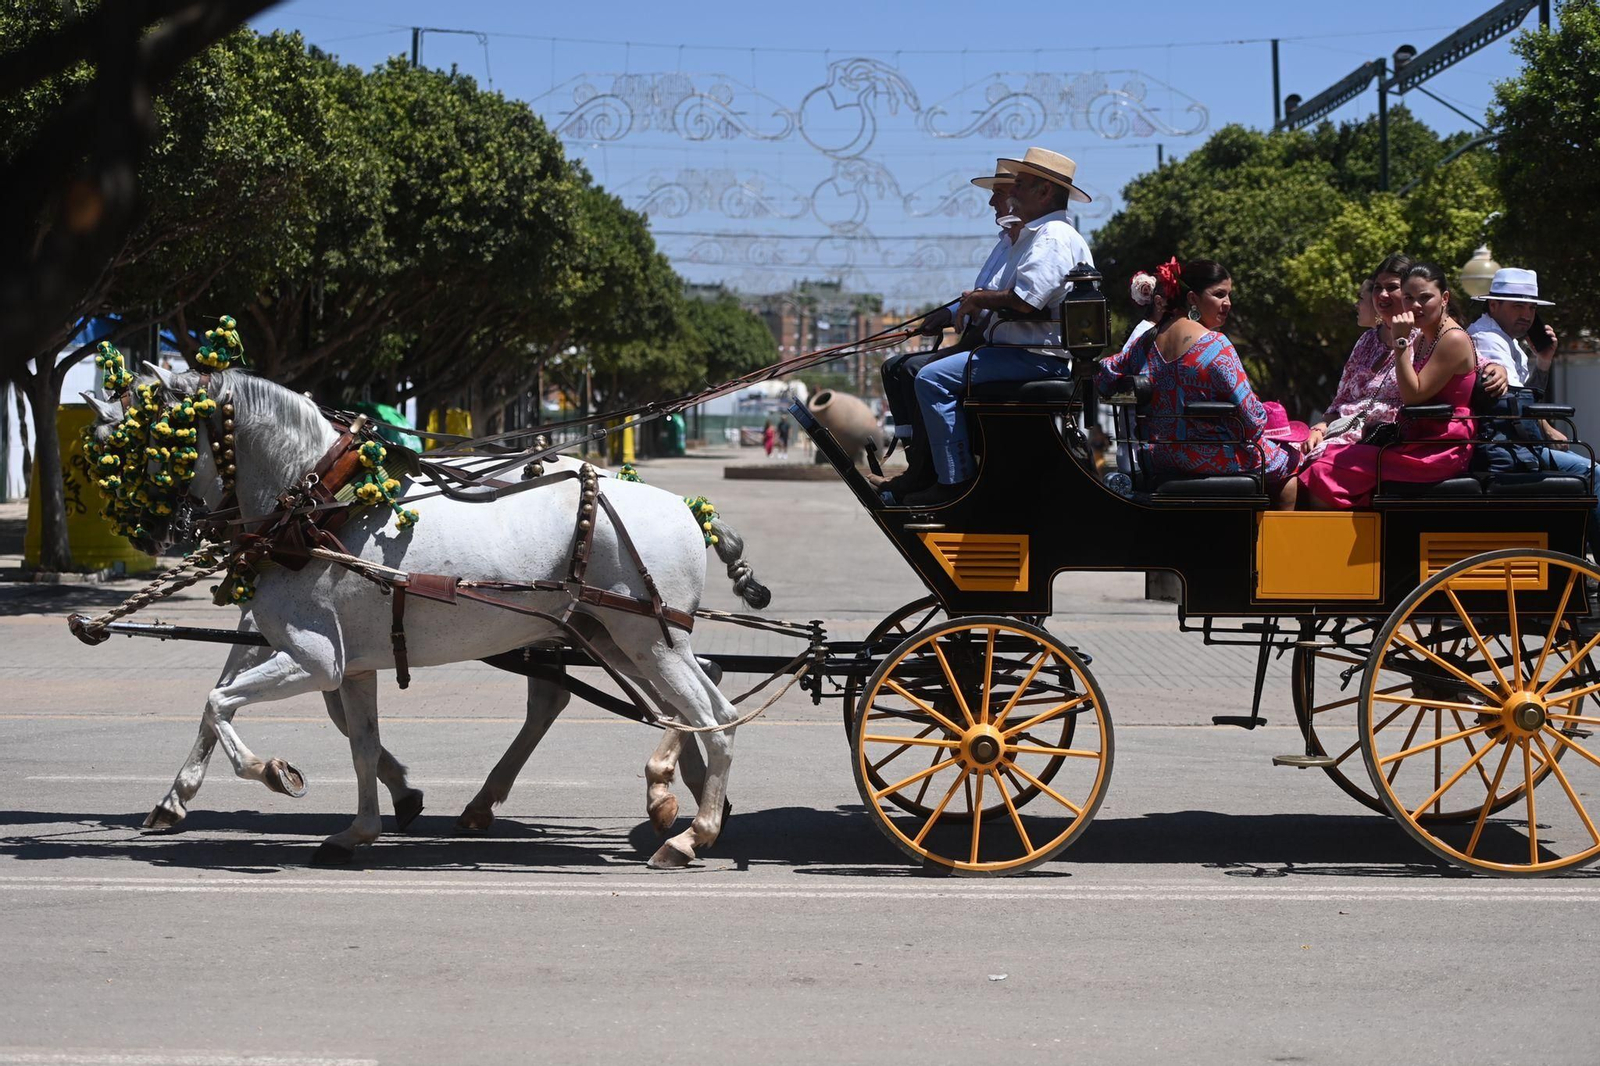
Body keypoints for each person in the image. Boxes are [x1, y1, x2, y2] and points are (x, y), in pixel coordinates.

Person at [902, 147, 1095, 506]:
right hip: (1014, 351)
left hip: (1034, 357)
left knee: (931, 378)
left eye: (1020, 184)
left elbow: (1024, 301)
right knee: (921, 372)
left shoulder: (1052, 236)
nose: (1011, 192)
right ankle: (931, 470)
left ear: (1044, 192)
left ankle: (954, 481)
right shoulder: (1036, 235)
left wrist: (977, 300)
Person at [870, 162, 1020, 499]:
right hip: (981, 339)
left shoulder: (1026, 244)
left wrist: (969, 307)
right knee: (894, 367)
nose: (991, 202)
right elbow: (981, 295)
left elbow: (1004, 299)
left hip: (994, 344)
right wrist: (946, 313)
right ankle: (916, 460)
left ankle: (932, 474)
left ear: (1017, 195)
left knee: (915, 370)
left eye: (997, 193)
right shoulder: (1005, 244)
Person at [1095, 257, 1297, 509]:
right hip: (1210, 457)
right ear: (1192, 298)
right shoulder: (1215, 345)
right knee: (1293, 464)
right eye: (1219, 295)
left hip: (1158, 457)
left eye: (1229, 295)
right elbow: (1254, 421)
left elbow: (1104, 374)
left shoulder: (1146, 341)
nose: (1228, 304)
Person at [1299, 259, 1477, 508]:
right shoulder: (1425, 335)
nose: (1415, 306)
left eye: (1424, 298)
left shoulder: (1451, 337)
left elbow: (1413, 396)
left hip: (1439, 447)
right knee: (1318, 459)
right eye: (1408, 297)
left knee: (1325, 469)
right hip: (1415, 439)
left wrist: (1401, 342)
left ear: (1445, 298)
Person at [1468, 267, 1598, 553]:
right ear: (1493, 304)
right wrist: (1549, 430)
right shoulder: (1488, 338)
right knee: (1593, 474)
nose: (1526, 314)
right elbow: (1516, 406)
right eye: (1517, 306)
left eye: (1530, 307)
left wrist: (1543, 361)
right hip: (1507, 448)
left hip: (1518, 446)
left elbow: (1527, 396)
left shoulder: (1509, 341)